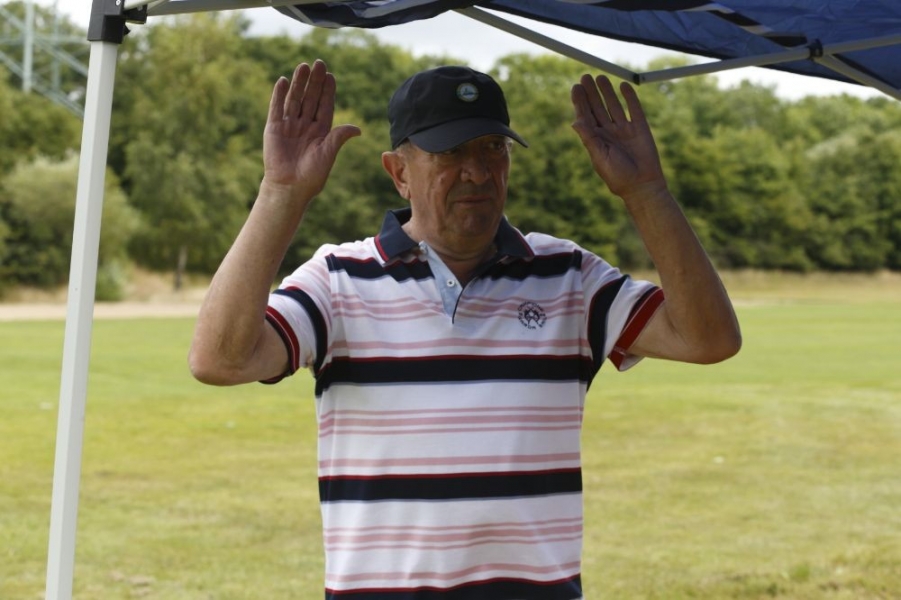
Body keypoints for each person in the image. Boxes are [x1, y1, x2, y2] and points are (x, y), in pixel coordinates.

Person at [189, 59, 741, 600]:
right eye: (451, 153)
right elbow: (220, 360)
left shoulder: (568, 276)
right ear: (399, 173)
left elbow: (708, 339)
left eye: (492, 148)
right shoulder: (339, 278)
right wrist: (281, 193)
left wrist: (646, 191)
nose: (477, 171)